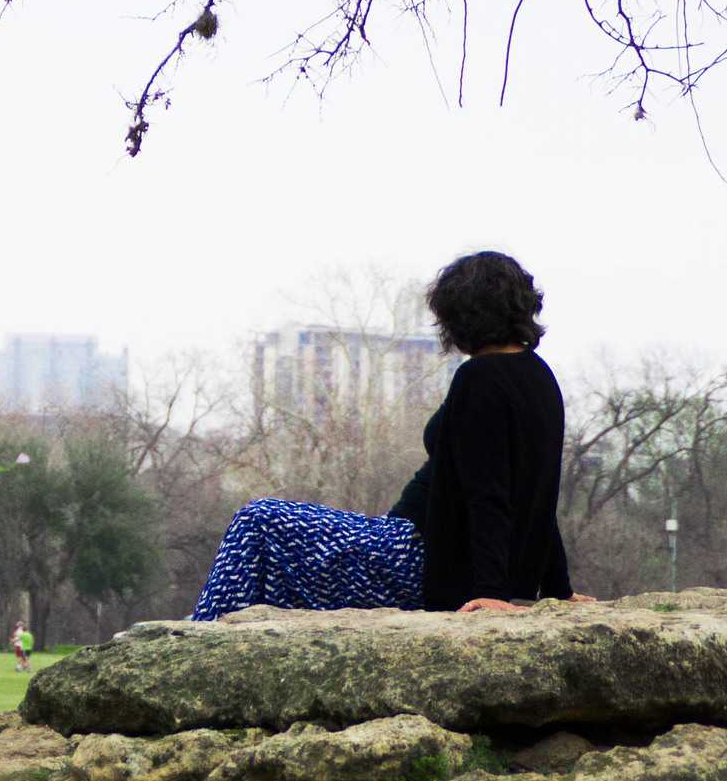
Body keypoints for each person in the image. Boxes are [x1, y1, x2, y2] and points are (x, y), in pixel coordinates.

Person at [192, 252, 586, 621]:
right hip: (427, 552)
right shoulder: (540, 377)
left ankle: (199, 642)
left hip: (415, 557)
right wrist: (557, 588)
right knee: (270, 543)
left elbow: (489, 492)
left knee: (258, 521)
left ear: (463, 315)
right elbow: (539, 490)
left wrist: (491, 593)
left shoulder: (480, 378)